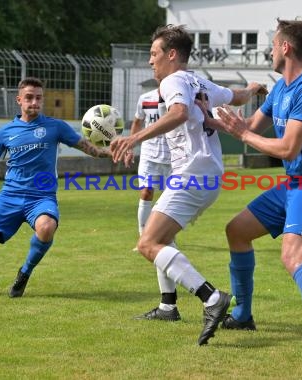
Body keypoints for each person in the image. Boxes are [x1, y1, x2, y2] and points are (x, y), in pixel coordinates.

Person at [209, 18, 302, 363]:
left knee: (293, 257)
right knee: (237, 231)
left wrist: (243, 135)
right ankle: (243, 315)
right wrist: (211, 117)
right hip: (294, 184)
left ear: (286, 47)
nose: (270, 50)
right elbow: (247, 127)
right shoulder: (280, 89)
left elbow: (288, 148)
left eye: (273, 44)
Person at [110, 24, 267, 345]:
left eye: (154, 54)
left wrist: (135, 137)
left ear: (171, 55)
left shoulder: (173, 80)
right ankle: (169, 306)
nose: (150, 61)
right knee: (162, 240)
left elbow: (180, 113)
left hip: (192, 173)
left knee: (147, 244)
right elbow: (234, 96)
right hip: (208, 173)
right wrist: (252, 89)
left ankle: (211, 298)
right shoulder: (198, 80)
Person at [0, 77, 110, 297]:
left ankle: (24, 273)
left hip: (41, 198)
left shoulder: (55, 127)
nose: (34, 102)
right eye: (29, 98)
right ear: (19, 100)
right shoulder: (6, 132)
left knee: (46, 227)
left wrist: (111, 151)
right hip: (9, 197)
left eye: (39, 98)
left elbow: (87, 146)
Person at [129, 88, 178, 321]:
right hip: (149, 154)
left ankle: (152, 238)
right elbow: (137, 122)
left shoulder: (177, 97)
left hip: (172, 158)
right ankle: (143, 238)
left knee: (166, 204)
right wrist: (130, 145)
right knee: (146, 192)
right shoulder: (144, 98)